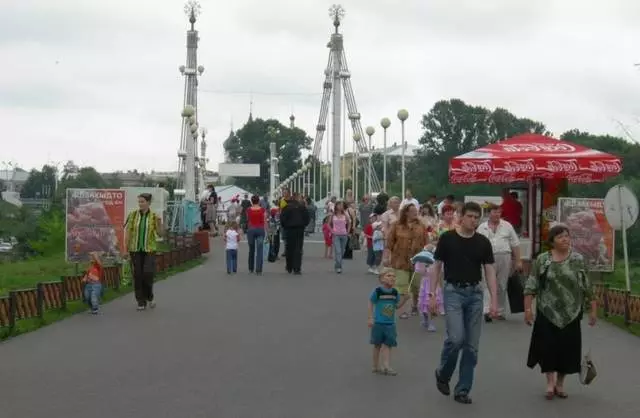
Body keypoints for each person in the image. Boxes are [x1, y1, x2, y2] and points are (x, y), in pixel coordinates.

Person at [431, 201, 498, 405]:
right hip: (453, 292)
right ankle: (443, 373)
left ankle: (463, 389)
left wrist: (494, 300)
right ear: (461, 217)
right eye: (470, 216)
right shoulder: (447, 239)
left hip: (475, 294)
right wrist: (432, 294)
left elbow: (489, 271)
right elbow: (437, 266)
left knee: (471, 346)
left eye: (477, 218)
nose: (473, 221)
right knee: (456, 338)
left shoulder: (482, 242)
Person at [524, 224, 597, 400]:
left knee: (567, 350)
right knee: (548, 348)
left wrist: (593, 310)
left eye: (567, 236)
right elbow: (531, 285)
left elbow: (587, 286)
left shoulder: (578, 259)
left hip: (571, 312)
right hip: (547, 311)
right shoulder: (543, 260)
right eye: (560, 237)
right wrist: (528, 309)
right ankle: (550, 384)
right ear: (552, 241)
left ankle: (560, 384)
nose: (565, 239)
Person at [476, 204, 522, 322]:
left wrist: (518, 261)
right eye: (494, 212)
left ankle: (500, 311)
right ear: (489, 213)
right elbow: (476, 243)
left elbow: (515, 244)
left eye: (499, 212)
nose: (497, 214)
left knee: (502, 284)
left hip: (504, 256)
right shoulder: (482, 227)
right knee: (486, 283)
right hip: (486, 258)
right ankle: (487, 310)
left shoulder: (507, 226)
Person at [385, 203, 427, 319]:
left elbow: (426, 242)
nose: (415, 213)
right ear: (406, 212)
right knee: (401, 287)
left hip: (417, 260)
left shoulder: (421, 226)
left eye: (416, 210)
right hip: (400, 260)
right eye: (412, 211)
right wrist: (386, 257)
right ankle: (402, 310)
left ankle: (414, 305)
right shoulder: (396, 225)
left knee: (416, 286)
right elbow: (389, 243)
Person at [124, 193, 163, 311]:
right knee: (138, 275)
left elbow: (160, 234)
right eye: (139, 202)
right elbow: (128, 233)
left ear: (148, 203)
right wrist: (125, 249)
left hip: (149, 249)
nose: (140, 204)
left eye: (142, 201)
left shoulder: (154, 216)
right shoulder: (132, 215)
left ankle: (149, 296)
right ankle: (141, 301)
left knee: (148, 274)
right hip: (135, 249)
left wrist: (159, 223)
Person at [368, 268, 405, 376]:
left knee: (388, 345)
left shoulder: (395, 292)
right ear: (381, 279)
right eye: (388, 275)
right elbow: (371, 302)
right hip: (378, 323)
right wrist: (370, 317)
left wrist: (405, 299)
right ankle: (375, 365)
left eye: (393, 276)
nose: (392, 278)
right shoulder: (378, 291)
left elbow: (397, 306)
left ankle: (387, 366)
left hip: (390, 324)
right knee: (377, 345)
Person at [280, 193, 310, 274]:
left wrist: (285, 226)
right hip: (299, 229)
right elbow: (307, 218)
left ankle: (289, 266)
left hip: (289, 229)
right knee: (298, 248)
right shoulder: (302, 207)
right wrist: (303, 225)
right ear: (298, 198)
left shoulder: (286, 207)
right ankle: (297, 268)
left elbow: (282, 219)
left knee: (289, 248)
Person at [417, 245, 443, 331]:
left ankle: (432, 322)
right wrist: (424, 267)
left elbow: (440, 272)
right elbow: (419, 271)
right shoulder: (422, 261)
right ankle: (425, 319)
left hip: (435, 284)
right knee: (423, 303)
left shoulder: (438, 262)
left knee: (434, 304)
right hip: (425, 284)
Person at [246, 195, 267, 275]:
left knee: (251, 250)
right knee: (259, 250)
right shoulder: (262, 210)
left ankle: (251, 268)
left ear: (251, 201)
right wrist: (267, 231)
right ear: (258, 201)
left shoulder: (248, 210)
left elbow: (248, 220)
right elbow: (265, 221)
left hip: (251, 230)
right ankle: (259, 270)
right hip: (260, 230)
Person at [329, 201, 350, 273]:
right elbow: (328, 224)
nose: (340, 206)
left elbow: (349, 222)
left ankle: (337, 264)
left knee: (342, 251)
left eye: (341, 205)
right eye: (339, 205)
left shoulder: (345, 214)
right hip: (336, 235)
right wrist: (332, 231)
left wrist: (348, 231)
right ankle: (339, 267)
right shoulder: (333, 215)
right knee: (338, 251)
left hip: (344, 235)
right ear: (336, 206)